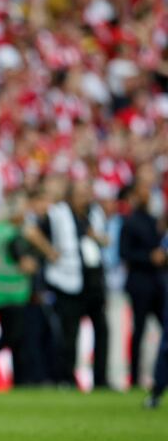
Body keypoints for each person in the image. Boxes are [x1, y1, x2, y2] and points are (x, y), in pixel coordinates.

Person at [37, 180, 110, 389]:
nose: (85, 197)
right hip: (66, 281)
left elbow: (105, 240)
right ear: (70, 196)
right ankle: (66, 378)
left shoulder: (95, 213)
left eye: (87, 192)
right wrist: (49, 251)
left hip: (93, 280)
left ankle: (101, 380)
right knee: (70, 333)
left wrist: (99, 238)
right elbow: (33, 230)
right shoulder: (58, 213)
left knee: (102, 330)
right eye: (80, 193)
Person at [0, 191, 39, 384]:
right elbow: (25, 263)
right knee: (15, 336)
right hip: (15, 289)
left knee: (11, 335)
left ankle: (7, 375)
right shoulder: (17, 232)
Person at [119, 165, 165, 388]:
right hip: (140, 282)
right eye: (145, 189)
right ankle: (135, 377)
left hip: (157, 282)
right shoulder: (131, 221)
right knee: (139, 331)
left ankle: (158, 375)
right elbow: (124, 253)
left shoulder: (154, 220)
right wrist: (149, 257)